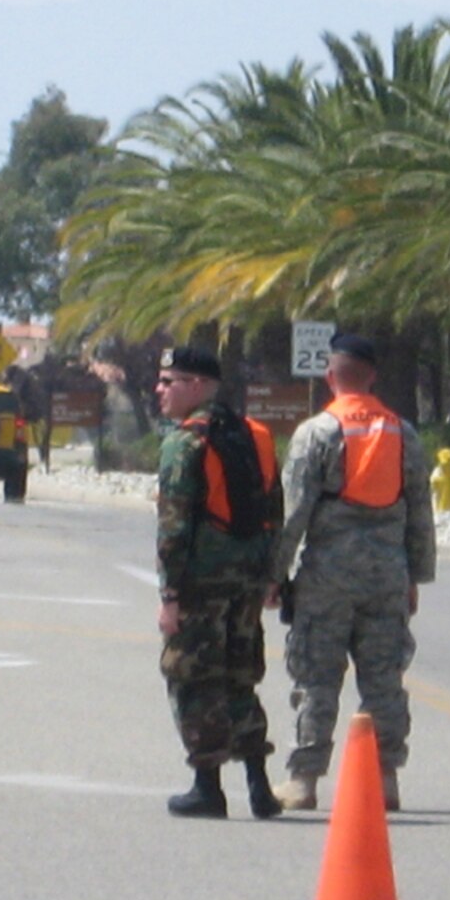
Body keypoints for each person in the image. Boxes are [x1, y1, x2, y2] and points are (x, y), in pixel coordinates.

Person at [269, 333, 435, 813]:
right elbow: (420, 512)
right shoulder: (403, 433)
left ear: (330, 376)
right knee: (384, 676)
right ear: (373, 376)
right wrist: (414, 577)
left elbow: (293, 512)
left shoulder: (318, 432)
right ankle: (384, 781)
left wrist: (274, 575)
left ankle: (303, 781)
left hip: (328, 576)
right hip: (387, 574)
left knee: (317, 676)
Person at [154, 345, 284, 818]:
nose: (160, 390)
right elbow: (275, 511)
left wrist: (170, 595)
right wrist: (273, 577)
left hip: (202, 585)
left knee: (191, 678)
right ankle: (259, 785)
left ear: (199, 386)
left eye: (171, 382)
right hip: (247, 582)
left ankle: (207, 785)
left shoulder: (185, 442)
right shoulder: (258, 435)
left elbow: (173, 526)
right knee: (240, 677)